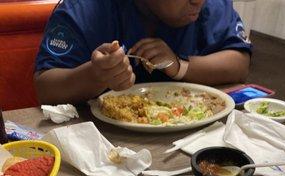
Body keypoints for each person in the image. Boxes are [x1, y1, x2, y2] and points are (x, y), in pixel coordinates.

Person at [34, 0, 252, 104]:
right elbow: (45, 87)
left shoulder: (211, 5)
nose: (198, 1)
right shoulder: (83, 9)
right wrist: (95, 75)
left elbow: (239, 62)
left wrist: (180, 67)